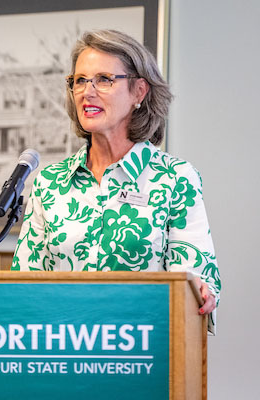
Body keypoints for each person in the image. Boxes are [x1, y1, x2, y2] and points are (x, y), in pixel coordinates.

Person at [11, 29, 221, 331]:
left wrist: (202, 291)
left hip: (144, 353)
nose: (87, 91)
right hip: (60, 352)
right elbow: (24, 285)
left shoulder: (175, 179)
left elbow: (196, 277)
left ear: (139, 91)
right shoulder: (49, 182)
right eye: (80, 80)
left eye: (104, 79)